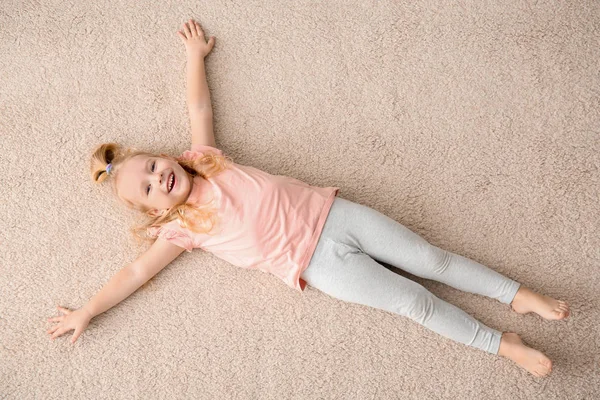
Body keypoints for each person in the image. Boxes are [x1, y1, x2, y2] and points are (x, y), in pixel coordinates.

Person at [46, 18, 570, 378]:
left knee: (431, 258)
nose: (159, 179)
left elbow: (198, 102)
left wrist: (193, 54)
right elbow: (136, 274)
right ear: (155, 213)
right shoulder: (182, 229)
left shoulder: (203, 158)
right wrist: (89, 309)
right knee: (413, 302)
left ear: (167, 158)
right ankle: (502, 345)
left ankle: (514, 294)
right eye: (147, 188)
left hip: (336, 216)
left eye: (154, 167)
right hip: (315, 267)